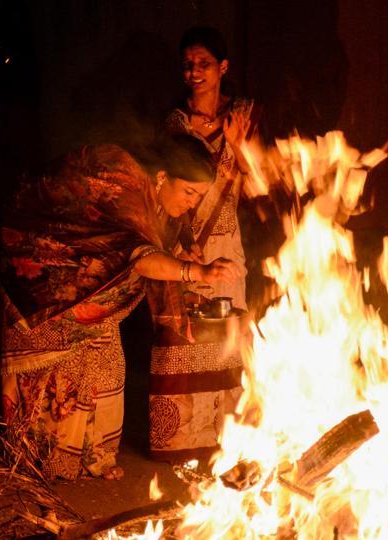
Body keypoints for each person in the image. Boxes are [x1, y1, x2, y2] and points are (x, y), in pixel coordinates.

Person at [0, 135, 240, 481]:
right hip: (47, 282)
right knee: (67, 367)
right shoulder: (122, 181)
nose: (191, 204)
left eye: (198, 198)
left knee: (108, 364)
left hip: (93, 299)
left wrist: (178, 260)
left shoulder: (157, 203)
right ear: (161, 178)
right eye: (188, 192)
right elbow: (137, 257)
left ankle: (92, 456)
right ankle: (39, 456)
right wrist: (195, 271)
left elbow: (151, 250)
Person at [149, 26, 257, 462]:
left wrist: (237, 146)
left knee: (225, 339)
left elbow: (261, 183)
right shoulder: (173, 121)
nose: (194, 72)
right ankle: (176, 442)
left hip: (226, 239)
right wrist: (179, 244)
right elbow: (163, 187)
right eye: (188, 64)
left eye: (204, 64)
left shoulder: (243, 116)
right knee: (181, 340)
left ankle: (224, 442)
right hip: (181, 241)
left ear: (223, 67)